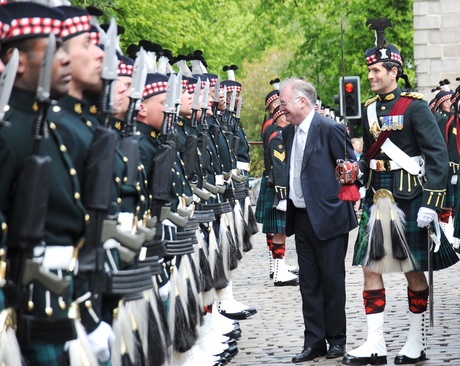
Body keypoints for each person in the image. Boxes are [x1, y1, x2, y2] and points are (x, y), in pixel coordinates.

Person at [343, 18, 459, 365]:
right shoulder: (367, 109)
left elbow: (437, 156)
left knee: (411, 269)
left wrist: (433, 204)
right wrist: (357, 170)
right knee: (370, 267)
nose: (372, 76)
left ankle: (414, 340)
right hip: (377, 195)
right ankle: (375, 342)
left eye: (378, 70)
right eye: (370, 70)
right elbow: (370, 153)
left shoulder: (415, 107)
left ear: (394, 70)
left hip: (409, 197)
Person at [0, 3, 88, 364]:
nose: (65, 59)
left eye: (67, 49)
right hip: (27, 302)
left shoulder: (48, 126)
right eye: (53, 50)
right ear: (18, 60)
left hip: (60, 292)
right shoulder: (9, 134)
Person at [280, 77, 358, 362]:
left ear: (302, 101)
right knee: (308, 282)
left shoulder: (330, 128)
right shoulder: (288, 133)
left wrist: (336, 202)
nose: (281, 109)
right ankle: (314, 342)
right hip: (300, 217)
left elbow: (349, 170)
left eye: (284, 103)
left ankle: (337, 340)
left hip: (329, 217)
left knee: (332, 281)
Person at [263, 105, 299, 286]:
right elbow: (279, 168)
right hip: (279, 191)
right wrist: (282, 195)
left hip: (280, 190)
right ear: (281, 118)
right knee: (279, 232)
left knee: (281, 232)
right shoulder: (278, 138)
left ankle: (280, 267)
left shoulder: (282, 135)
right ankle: (278, 272)